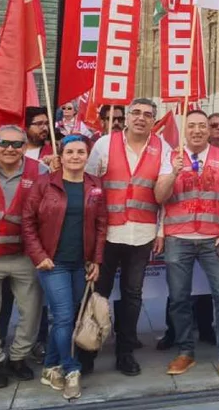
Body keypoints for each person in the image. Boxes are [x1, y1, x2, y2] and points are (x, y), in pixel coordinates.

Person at [84, 98, 173, 375]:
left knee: (133, 295)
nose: (140, 118)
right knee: (98, 293)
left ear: (153, 120)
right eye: (135, 112)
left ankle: (125, 351)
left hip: (142, 232)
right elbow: (89, 187)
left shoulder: (164, 148)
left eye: (147, 114)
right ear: (128, 116)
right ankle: (89, 349)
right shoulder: (103, 144)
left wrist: (161, 230)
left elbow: (163, 198)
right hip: (106, 233)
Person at [156, 110, 219, 382]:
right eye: (191, 126)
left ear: (208, 131)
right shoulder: (169, 156)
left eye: (201, 126)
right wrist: (173, 173)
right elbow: (159, 195)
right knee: (179, 298)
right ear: (185, 130)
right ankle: (185, 351)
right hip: (178, 237)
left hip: (212, 238)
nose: (197, 130)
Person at [22, 135, 107, 401]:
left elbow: (102, 224)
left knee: (71, 318)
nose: (75, 156)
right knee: (63, 317)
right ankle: (72, 370)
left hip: (81, 263)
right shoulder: (44, 184)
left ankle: (50, 367)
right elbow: (27, 222)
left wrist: (97, 260)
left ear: (87, 155)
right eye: (69, 151)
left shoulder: (95, 185)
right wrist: (39, 255)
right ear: (61, 155)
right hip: (53, 262)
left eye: (81, 152)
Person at [0, 125, 46, 387]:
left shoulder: (40, 170)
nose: (10, 149)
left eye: (17, 145)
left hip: (25, 255)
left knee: (30, 310)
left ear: (25, 147)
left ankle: (18, 357)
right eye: (4, 143)